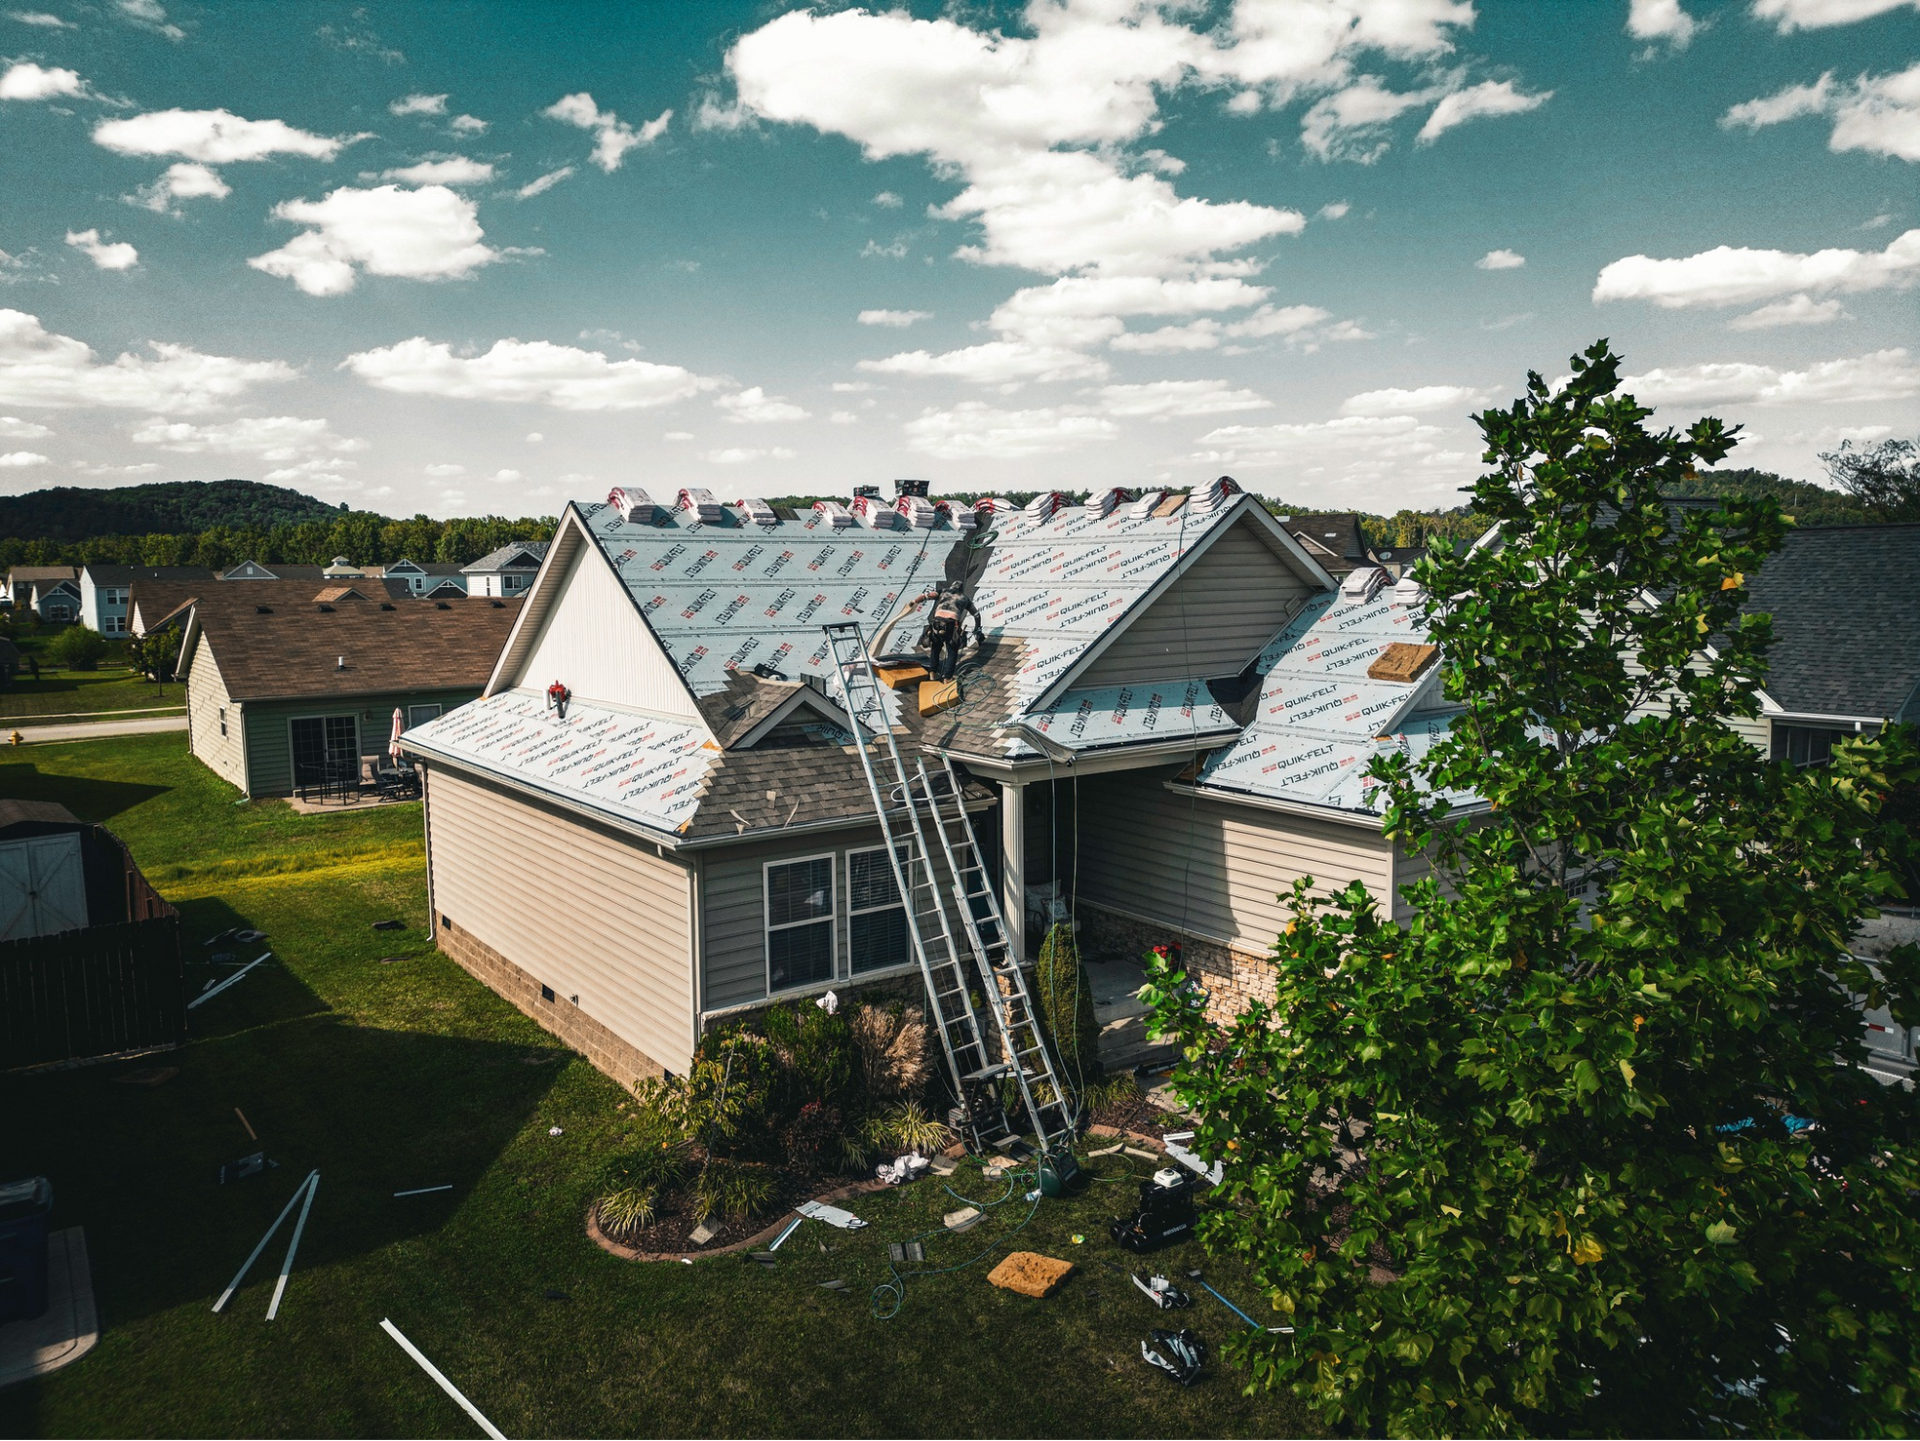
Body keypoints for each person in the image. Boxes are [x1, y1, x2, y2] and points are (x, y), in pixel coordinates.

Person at [918, 582, 982, 681]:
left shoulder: (943, 591)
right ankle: (947, 677)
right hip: (951, 625)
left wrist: (914, 601)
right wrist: (977, 628)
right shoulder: (964, 598)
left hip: (937, 623)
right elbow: (976, 615)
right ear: (961, 589)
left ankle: (932, 672)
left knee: (935, 649)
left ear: (951, 587)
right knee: (952, 651)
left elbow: (926, 596)